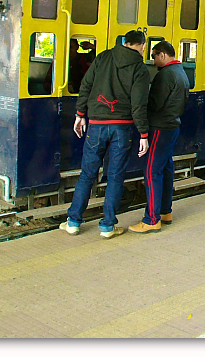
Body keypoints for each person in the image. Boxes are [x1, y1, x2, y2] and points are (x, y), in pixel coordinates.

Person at [61, 30, 151, 239]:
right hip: (122, 127)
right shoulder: (140, 69)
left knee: (87, 174)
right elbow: (139, 105)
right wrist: (144, 134)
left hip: (97, 124)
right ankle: (108, 226)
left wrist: (80, 114)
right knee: (115, 177)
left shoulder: (103, 57)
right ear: (142, 46)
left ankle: (73, 222)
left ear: (124, 42)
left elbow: (86, 85)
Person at [129, 41, 190, 234]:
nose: (153, 61)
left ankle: (152, 219)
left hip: (159, 129)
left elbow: (154, 104)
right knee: (166, 169)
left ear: (163, 55)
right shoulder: (181, 72)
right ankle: (165, 212)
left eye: (154, 56)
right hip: (172, 127)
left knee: (152, 172)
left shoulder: (165, 75)